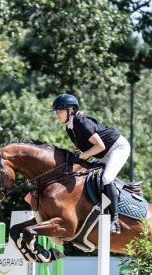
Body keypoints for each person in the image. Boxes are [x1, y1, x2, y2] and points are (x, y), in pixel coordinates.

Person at [51, 93, 130, 234]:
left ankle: (115, 220)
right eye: (56, 111)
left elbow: (100, 146)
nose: (56, 114)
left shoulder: (81, 121)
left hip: (117, 148)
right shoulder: (70, 127)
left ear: (70, 110)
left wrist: (81, 156)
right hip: (101, 153)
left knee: (106, 178)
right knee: (85, 175)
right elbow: (79, 146)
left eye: (59, 111)